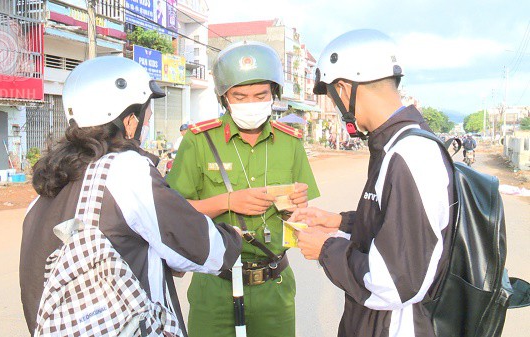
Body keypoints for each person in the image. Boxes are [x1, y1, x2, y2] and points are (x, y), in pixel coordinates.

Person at [19, 56, 242, 335]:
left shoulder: (43, 196)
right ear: (130, 121)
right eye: (147, 113)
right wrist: (232, 237)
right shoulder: (125, 170)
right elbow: (207, 251)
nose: (148, 120)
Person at [290, 29, 455, 337]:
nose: (338, 110)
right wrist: (337, 222)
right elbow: (394, 227)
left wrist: (325, 248)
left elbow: (393, 282)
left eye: (332, 97)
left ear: (343, 88)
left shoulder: (409, 154)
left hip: (394, 327)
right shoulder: (396, 145)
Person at [166, 41, 320, 337]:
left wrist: (297, 209)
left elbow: (303, 221)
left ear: (273, 94)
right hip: (214, 286)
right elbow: (174, 212)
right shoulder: (199, 141)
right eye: (240, 95)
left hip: (274, 288)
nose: (251, 102)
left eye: (260, 95)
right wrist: (227, 201)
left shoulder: (290, 143)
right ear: (224, 97)